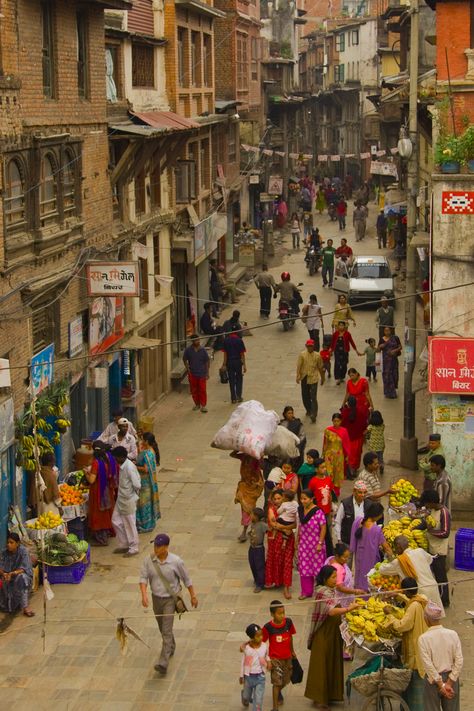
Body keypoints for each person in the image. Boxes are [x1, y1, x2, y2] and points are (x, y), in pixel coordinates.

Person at [139, 533, 198, 675]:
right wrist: (144, 595)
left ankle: (163, 662)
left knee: (166, 629)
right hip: (156, 599)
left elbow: (186, 579)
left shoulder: (176, 562)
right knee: (162, 627)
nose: (155, 549)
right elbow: (143, 578)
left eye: (158, 546)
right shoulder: (149, 560)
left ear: (166, 547)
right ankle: (171, 645)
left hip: (170, 600)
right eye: (155, 546)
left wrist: (193, 596)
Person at [305, 565, 359, 708]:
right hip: (323, 633)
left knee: (332, 662)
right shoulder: (323, 592)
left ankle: (331, 695)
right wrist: (349, 609)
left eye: (337, 577)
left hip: (333, 633)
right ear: (325, 578)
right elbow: (330, 611)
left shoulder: (331, 591)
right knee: (322, 664)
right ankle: (319, 698)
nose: (336, 580)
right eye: (333, 577)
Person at [384, 577, 429, 710]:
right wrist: (398, 595)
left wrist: (390, 616)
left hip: (415, 650)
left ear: (406, 591)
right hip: (422, 645)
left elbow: (403, 626)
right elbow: (410, 600)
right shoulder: (421, 599)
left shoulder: (414, 606)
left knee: (416, 687)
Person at [417, 602, 463, 711]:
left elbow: (428, 665)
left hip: (432, 682)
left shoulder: (423, 638)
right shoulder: (453, 634)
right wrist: (449, 682)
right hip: (452, 679)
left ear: (426, 618)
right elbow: (459, 660)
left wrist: (441, 684)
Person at [379, 534, 444, 610]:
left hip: (421, 593)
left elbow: (382, 570)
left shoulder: (400, 561)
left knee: (422, 619)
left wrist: (383, 563)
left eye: (395, 548)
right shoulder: (420, 551)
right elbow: (430, 560)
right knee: (435, 616)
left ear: (399, 546)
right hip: (433, 587)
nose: (395, 551)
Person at [262, 600, 296, 710]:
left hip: (288, 657)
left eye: (283, 613)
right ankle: (275, 707)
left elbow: (290, 637)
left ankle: (279, 692)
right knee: (277, 683)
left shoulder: (288, 622)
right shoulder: (268, 627)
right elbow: (262, 643)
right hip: (275, 659)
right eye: (279, 613)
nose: (282, 615)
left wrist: (292, 651)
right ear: (272, 614)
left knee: (286, 680)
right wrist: (267, 660)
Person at [350, 502, 392, 590]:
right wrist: (392, 559)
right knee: (369, 581)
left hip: (359, 558)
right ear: (377, 515)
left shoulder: (358, 521)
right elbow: (387, 548)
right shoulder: (377, 530)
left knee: (359, 580)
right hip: (371, 560)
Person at [419, 490, 451, 607]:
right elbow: (426, 523)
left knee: (440, 576)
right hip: (431, 547)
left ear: (432, 502)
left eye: (427, 503)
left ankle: (444, 600)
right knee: (433, 575)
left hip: (439, 550)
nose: (426, 506)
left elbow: (445, 532)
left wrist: (430, 532)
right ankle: (437, 597)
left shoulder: (444, 512)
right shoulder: (431, 511)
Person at [84, 440, 118, 546]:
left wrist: (86, 473)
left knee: (98, 514)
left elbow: (91, 480)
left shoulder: (96, 463)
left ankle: (101, 538)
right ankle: (106, 533)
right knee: (106, 513)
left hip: (97, 491)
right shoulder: (107, 460)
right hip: (106, 490)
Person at [264, 490, 296, 599]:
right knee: (276, 560)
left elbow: (295, 524)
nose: (277, 501)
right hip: (275, 539)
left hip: (288, 539)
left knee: (287, 562)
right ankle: (276, 581)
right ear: (272, 500)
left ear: (283, 498)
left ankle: (286, 587)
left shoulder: (289, 508)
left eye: (279, 498)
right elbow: (273, 524)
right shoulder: (271, 510)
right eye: (275, 499)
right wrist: (286, 528)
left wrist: (286, 528)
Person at [111, 446, 141, 557]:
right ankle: (124, 544)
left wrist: (133, 496)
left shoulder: (129, 467)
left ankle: (134, 548)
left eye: (115, 458)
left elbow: (137, 484)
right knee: (115, 520)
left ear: (120, 457)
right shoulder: (122, 466)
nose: (114, 460)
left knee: (130, 524)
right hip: (121, 499)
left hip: (128, 500)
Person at [297, 489, 327, 599]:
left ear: (312, 499)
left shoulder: (318, 512)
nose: (303, 501)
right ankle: (306, 591)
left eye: (305, 499)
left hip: (316, 545)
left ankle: (320, 592)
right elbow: (300, 526)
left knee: (318, 568)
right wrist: (297, 541)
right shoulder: (300, 510)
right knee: (304, 568)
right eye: (301, 499)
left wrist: (320, 543)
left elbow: (323, 528)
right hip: (304, 545)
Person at [231, 451, 264, 543]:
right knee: (244, 509)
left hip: (254, 487)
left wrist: (260, 457)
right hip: (244, 485)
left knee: (248, 509)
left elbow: (262, 467)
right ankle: (247, 528)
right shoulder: (244, 456)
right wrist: (237, 448)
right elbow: (232, 454)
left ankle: (246, 530)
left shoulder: (257, 459)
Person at [0, 532, 34, 617]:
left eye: (11, 543)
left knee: (22, 577)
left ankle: (25, 607)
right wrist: (4, 574)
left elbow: (24, 568)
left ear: (17, 543)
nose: (8, 545)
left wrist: (13, 573)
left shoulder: (23, 551)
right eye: (7, 542)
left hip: (19, 577)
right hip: (7, 576)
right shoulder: (4, 552)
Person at [308, 458, 335, 556]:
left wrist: (331, 509)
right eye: (322, 467)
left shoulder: (328, 479)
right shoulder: (313, 481)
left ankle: (329, 553)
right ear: (316, 469)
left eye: (325, 467)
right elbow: (309, 497)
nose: (324, 469)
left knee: (329, 533)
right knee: (319, 533)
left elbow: (330, 495)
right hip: (318, 513)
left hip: (327, 512)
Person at [240, 623, 270, 710]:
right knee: (247, 696)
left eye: (262, 635)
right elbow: (243, 663)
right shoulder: (247, 649)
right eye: (258, 636)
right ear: (252, 637)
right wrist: (241, 676)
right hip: (248, 677)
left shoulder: (264, 646)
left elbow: (267, 655)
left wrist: (268, 661)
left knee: (258, 700)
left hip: (260, 677)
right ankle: (244, 697)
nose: (261, 637)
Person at [135, 432, 161, 533]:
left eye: (142, 439)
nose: (141, 441)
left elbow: (146, 469)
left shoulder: (148, 453)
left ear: (146, 441)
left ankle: (145, 525)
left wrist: (135, 466)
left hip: (145, 483)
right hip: (146, 482)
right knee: (145, 503)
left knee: (144, 504)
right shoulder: (150, 451)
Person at [296, 338, 325, 423]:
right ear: (306, 346)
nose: (310, 348)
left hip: (313, 378)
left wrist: (323, 378)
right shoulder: (302, 355)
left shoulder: (317, 355)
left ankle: (314, 414)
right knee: (305, 396)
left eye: (311, 346)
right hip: (304, 377)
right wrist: (297, 376)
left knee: (313, 397)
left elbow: (320, 367)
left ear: (313, 346)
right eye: (308, 346)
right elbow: (299, 366)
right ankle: (308, 409)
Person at [340, 395, 369, 477]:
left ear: (348, 403)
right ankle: (354, 468)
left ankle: (347, 469)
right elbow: (364, 425)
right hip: (358, 438)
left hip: (346, 438)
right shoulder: (361, 412)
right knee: (356, 454)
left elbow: (341, 424)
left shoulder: (344, 413)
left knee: (347, 454)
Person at [334, 481, 370, 545]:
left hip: (363, 541)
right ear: (354, 491)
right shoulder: (345, 504)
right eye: (360, 492)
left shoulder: (368, 504)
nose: (363, 495)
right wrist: (339, 539)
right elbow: (338, 522)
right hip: (347, 541)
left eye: (365, 492)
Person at [323, 412, 350, 493]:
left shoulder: (344, 431)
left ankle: (336, 491)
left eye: (338, 421)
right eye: (334, 421)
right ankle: (329, 489)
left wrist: (347, 455)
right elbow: (325, 443)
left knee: (337, 473)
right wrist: (324, 453)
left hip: (339, 456)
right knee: (329, 472)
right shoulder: (328, 430)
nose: (336, 423)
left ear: (341, 421)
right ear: (332, 421)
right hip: (329, 455)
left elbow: (346, 443)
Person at [183, 334, 210, 413]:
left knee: (202, 390)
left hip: (202, 373)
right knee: (194, 390)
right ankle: (197, 404)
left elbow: (207, 361)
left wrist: (207, 373)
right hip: (193, 374)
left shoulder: (203, 350)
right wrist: (188, 369)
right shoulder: (188, 350)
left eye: (198, 340)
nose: (198, 341)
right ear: (192, 341)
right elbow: (184, 359)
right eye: (196, 340)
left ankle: (203, 405)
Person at [222, 326, 246, 404]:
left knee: (231, 380)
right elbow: (242, 354)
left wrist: (224, 364)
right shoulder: (239, 341)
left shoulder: (226, 341)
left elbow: (225, 354)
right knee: (239, 378)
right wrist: (244, 365)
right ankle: (239, 396)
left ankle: (233, 398)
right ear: (237, 331)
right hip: (238, 362)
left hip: (229, 363)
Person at [279, 405, 306, 471]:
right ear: (285, 414)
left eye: (292, 413)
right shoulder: (281, 424)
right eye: (289, 413)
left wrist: (297, 448)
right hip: (283, 450)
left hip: (294, 449)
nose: (290, 415)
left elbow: (302, 437)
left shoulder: (298, 424)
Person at [378, 326, 402, 398]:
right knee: (387, 375)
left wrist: (394, 351)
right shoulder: (382, 339)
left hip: (394, 360)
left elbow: (400, 347)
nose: (387, 332)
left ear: (390, 331)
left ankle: (393, 388)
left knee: (394, 375)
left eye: (388, 330)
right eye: (385, 331)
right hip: (385, 362)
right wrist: (380, 346)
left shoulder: (395, 338)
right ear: (384, 331)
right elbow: (377, 349)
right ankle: (390, 393)